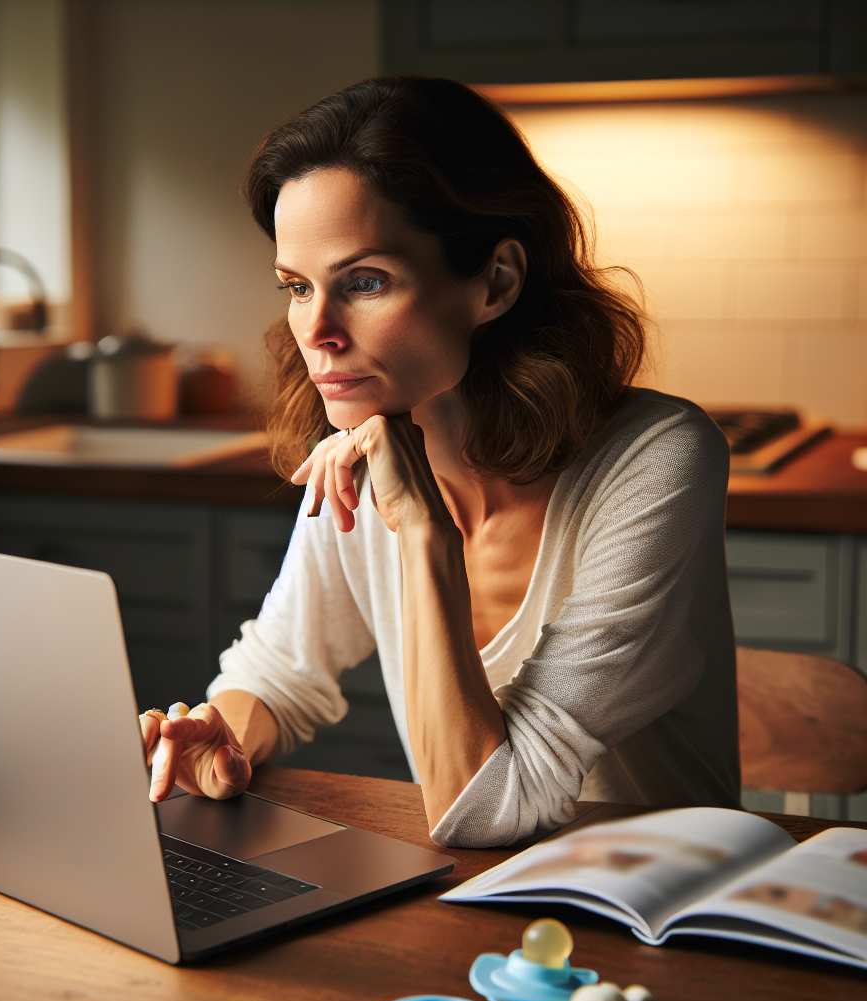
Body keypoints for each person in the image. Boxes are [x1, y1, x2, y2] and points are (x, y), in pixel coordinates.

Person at [139, 76, 740, 848]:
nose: (316, 329)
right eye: (296, 286)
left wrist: (423, 533)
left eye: (365, 282)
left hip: (662, 921)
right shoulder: (361, 451)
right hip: (478, 911)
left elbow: (487, 809)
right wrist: (220, 735)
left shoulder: (657, 460)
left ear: (495, 282)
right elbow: (281, 670)